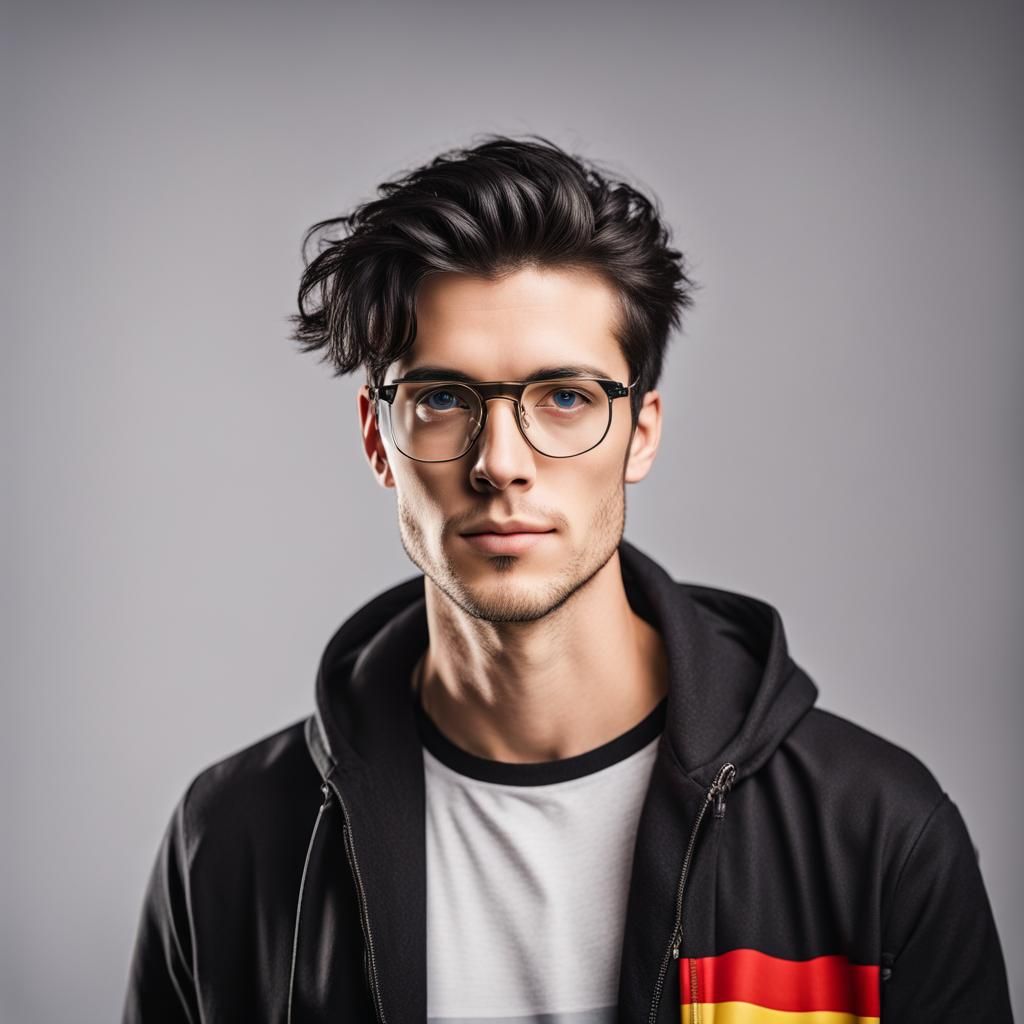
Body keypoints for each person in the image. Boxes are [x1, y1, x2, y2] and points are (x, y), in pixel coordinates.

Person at [122, 135, 1013, 1024]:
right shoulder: (233, 838)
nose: (500, 463)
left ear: (643, 433)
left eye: (566, 397)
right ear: (375, 439)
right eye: (440, 399)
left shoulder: (878, 834)